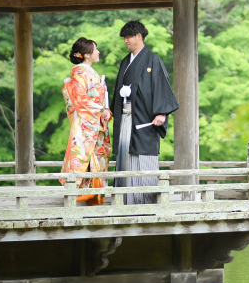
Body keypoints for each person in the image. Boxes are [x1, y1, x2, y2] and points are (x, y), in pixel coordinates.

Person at [112, 20, 179, 204]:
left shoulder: (152, 60)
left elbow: (161, 86)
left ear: (139, 37)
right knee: (125, 152)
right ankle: (124, 200)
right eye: (124, 38)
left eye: (128, 37)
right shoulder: (126, 62)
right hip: (126, 117)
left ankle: (145, 200)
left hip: (144, 120)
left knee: (143, 156)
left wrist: (162, 113)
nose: (126, 41)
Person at [60, 37, 112, 205]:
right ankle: (83, 197)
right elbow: (80, 101)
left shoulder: (88, 73)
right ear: (87, 54)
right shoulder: (81, 74)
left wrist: (105, 110)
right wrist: (101, 110)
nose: (98, 52)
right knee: (84, 157)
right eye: (95, 49)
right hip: (86, 126)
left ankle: (92, 196)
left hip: (94, 123)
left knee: (95, 158)